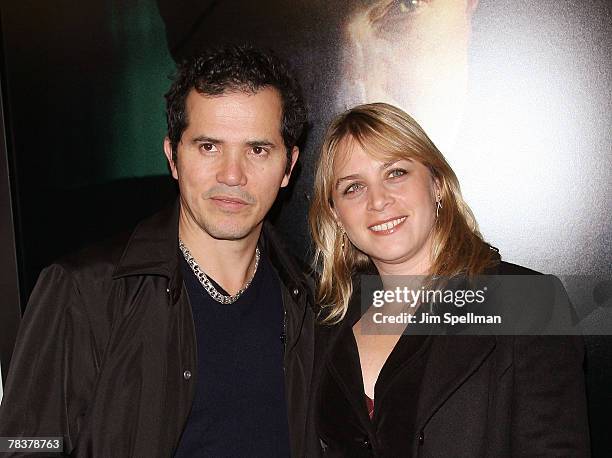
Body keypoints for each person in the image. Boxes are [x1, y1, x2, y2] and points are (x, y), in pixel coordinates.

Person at [0, 45, 317, 457]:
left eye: (257, 149)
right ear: (173, 156)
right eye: (209, 147)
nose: (233, 175)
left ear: (289, 167)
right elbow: (25, 445)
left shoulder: (306, 300)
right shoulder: (85, 292)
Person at [308, 102, 590, 456]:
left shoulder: (528, 304)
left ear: (437, 184)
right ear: (335, 214)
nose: (378, 200)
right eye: (353, 188)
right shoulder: (323, 326)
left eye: (395, 173)